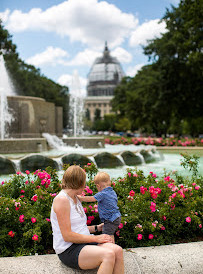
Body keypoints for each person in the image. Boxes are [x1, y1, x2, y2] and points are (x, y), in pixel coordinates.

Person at [50, 165, 124, 274]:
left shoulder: (75, 198)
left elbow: (78, 228)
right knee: (108, 255)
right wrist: (96, 239)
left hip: (83, 243)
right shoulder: (62, 200)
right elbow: (67, 236)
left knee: (117, 250)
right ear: (79, 183)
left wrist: (97, 228)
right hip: (69, 249)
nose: (85, 185)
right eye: (84, 182)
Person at [78, 171, 121, 243]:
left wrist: (80, 198)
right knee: (110, 234)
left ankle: (110, 249)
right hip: (116, 217)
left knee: (107, 236)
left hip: (110, 219)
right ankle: (113, 248)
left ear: (98, 186)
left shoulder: (102, 194)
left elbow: (92, 199)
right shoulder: (112, 192)